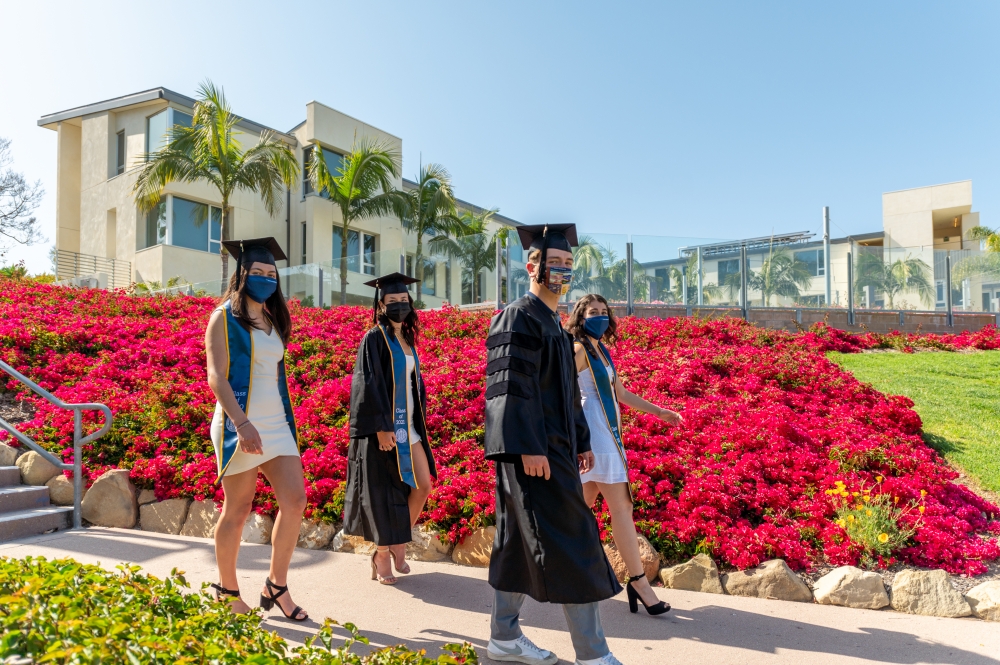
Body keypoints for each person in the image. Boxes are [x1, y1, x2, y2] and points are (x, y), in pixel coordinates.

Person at [484, 224, 623, 665]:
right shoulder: (518, 317)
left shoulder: (557, 327)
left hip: (555, 450)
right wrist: (528, 447)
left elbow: (567, 394)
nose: (560, 271)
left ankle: (503, 637)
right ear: (532, 266)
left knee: (515, 540)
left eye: (567, 265)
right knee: (577, 541)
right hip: (532, 452)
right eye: (553, 263)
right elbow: (509, 389)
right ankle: (593, 654)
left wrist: (581, 439)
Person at [205, 237, 308, 621]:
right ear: (242, 274)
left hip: (277, 423)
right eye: (258, 272)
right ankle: (227, 590)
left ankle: (276, 584)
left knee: (295, 502)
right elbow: (217, 377)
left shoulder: (274, 318)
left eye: (271, 274)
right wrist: (242, 423)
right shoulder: (223, 317)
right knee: (239, 507)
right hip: (239, 422)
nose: (266, 278)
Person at [567, 293, 682, 616]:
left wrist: (659, 411)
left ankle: (564, 571)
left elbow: (620, 393)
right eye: (593, 312)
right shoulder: (579, 350)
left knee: (579, 508)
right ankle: (639, 582)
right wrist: (576, 437)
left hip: (605, 433)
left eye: (604, 311)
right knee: (621, 507)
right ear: (580, 316)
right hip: (595, 434)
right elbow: (562, 388)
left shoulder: (599, 350)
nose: (600, 316)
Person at [344, 272, 437, 585]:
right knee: (385, 493)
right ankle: (382, 554)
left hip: (409, 427)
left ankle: (397, 542)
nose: (399, 304)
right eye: (392, 301)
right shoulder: (375, 337)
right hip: (386, 429)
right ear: (381, 305)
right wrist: (382, 427)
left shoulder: (405, 339)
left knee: (423, 485)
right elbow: (370, 383)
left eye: (403, 300)